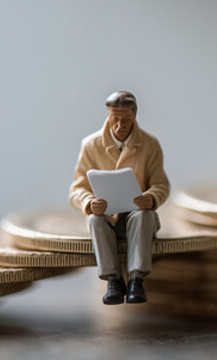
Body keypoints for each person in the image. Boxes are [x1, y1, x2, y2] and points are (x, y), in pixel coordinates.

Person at [69, 91, 170, 304]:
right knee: (94, 219)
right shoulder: (91, 145)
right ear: (108, 115)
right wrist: (89, 203)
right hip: (107, 216)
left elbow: (161, 184)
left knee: (144, 216)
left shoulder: (150, 144)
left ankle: (136, 280)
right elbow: (77, 189)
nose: (120, 125)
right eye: (115, 118)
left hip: (137, 214)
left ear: (134, 115)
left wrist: (150, 198)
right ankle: (113, 280)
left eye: (126, 119)